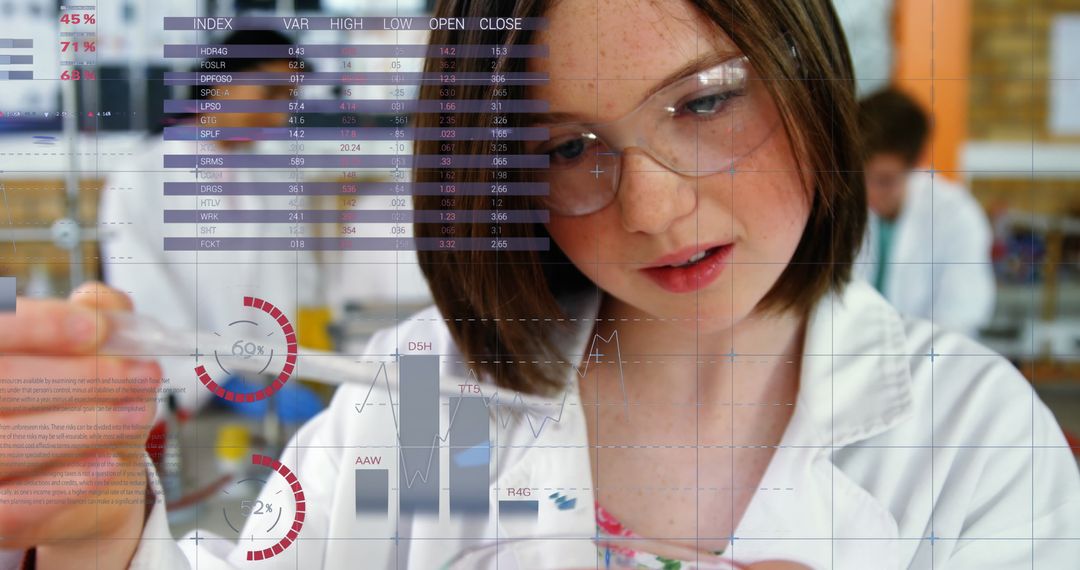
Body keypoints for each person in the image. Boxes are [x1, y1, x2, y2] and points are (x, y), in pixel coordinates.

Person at [1, 1, 1077, 569]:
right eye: (568, 147)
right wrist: (101, 542)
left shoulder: (963, 437)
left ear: (809, 72)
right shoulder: (436, 399)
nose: (653, 208)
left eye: (703, 104)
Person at [97, 29, 321, 413]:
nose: (280, 114)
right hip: (182, 399)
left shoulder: (274, 178)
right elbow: (141, 294)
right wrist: (216, 380)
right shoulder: (141, 177)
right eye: (270, 94)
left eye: (290, 98)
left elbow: (296, 284)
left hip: (269, 386)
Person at [854, 88, 996, 337]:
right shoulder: (838, 206)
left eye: (885, 180)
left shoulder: (955, 215)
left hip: (929, 365)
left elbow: (959, 315)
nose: (869, 191)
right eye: (861, 176)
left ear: (916, 164)